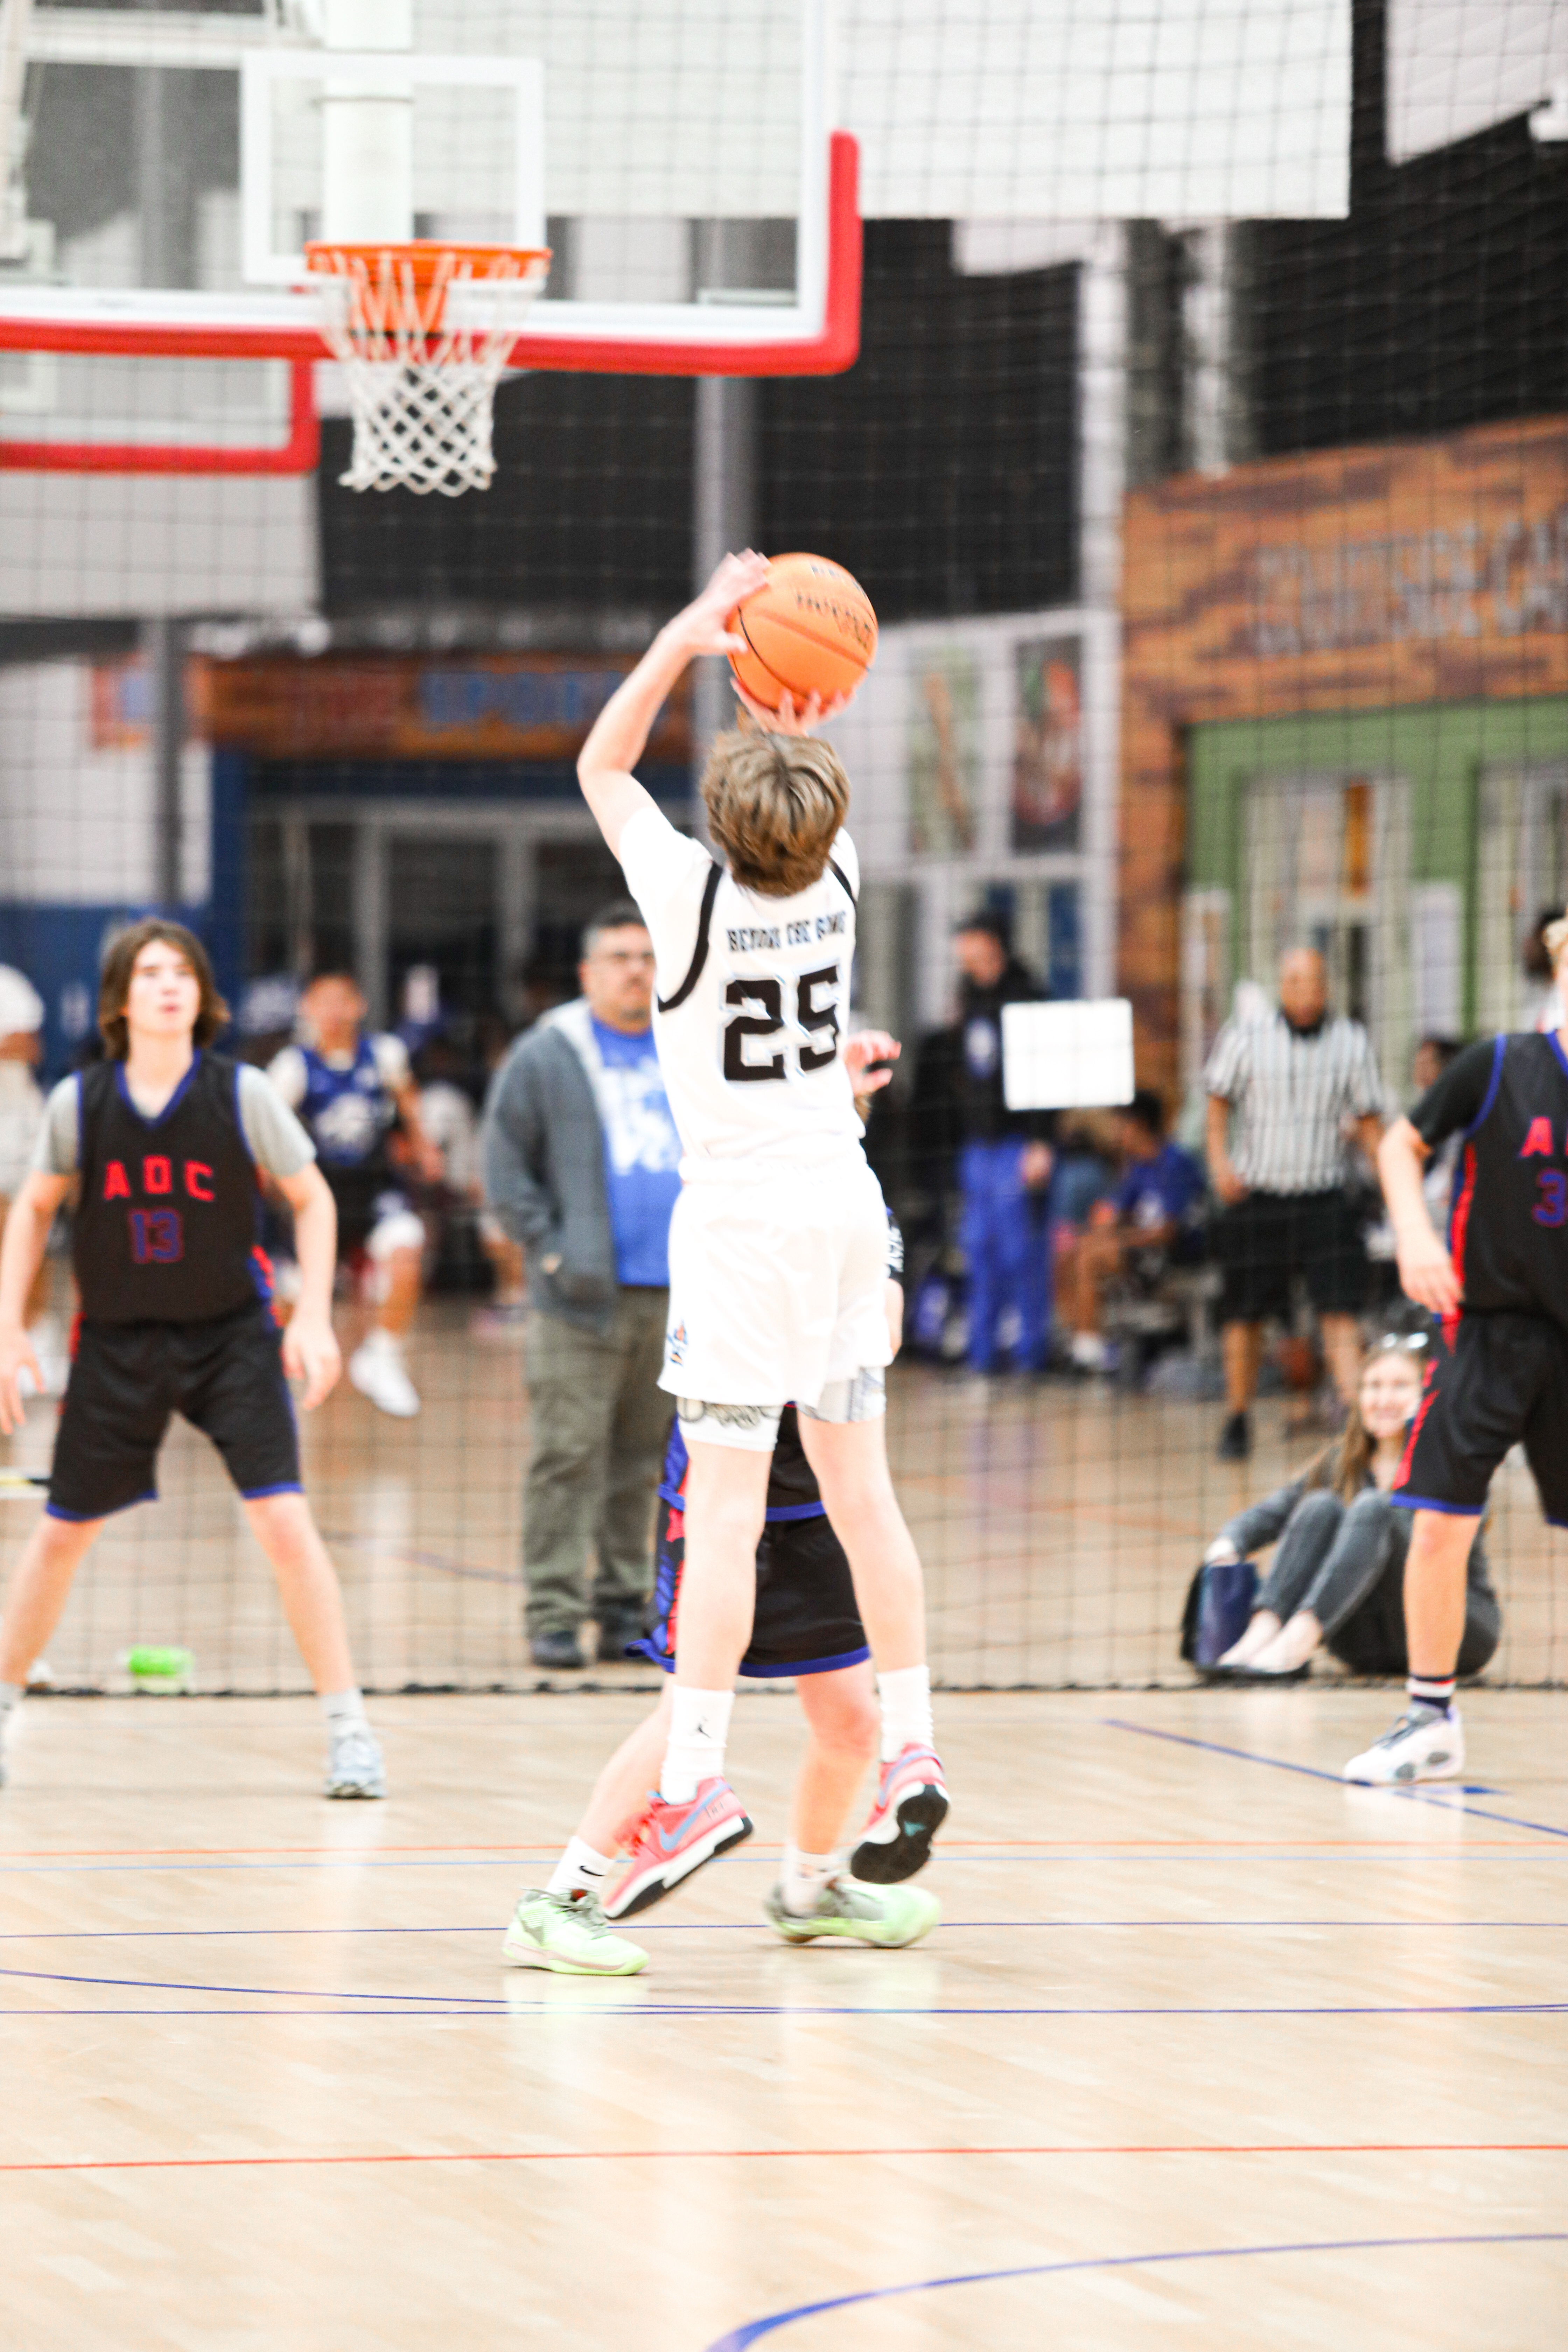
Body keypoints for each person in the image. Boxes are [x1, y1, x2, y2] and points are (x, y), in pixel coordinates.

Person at [520, 550, 945, 1972]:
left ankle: (699, 1775)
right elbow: (800, 757)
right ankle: (914, 1744)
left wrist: (697, 630)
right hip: (837, 1198)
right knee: (864, 1497)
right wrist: (791, 677)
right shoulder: (842, 881)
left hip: (744, 1231)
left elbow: (603, 760)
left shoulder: (682, 903)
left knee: (725, 1509)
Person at [0, 920, 384, 1798]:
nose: (168, 985)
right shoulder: (80, 1102)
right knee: (61, 1535)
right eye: (150, 973)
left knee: (286, 1525)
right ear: (121, 1001)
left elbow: (313, 1200)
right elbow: (30, 1211)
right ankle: (3, 1712)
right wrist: (9, 1326)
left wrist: (314, 1317)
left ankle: (350, 1730)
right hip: (117, 1342)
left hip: (231, 1338)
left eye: (183, 972)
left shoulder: (243, 1093)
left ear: (201, 997)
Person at [503, 1237, 940, 1973]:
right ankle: (559, 1903)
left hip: (820, 1503)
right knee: (686, 1711)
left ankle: (810, 1889)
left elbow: (886, 1329)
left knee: (850, 1717)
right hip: (719, 1497)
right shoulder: (737, 1193)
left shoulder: (858, 1204)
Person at [1345, 913, 1568, 1783]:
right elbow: (1402, 1146)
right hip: (1489, 1327)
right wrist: (1415, 1237)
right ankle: (1430, 1718)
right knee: (1440, 1520)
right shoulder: (1502, 1064)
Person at [483, 903, 685, 1670]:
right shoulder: (547, 1055)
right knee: (568, 1455)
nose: (636, 969)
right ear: (587, 973)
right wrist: (553, 1253)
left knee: (644, 1463)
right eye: (619, 957)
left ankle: (626, 1606)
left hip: (674, 1298)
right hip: (580, 1300)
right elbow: (504, 1168)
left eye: (645, 955)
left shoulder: (687, 1042)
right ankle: (555, 1613)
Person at [1204, 1331, 1500, 1682]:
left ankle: (1295, 1644)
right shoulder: (1341, 1462)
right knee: (1319, 1505)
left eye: (1400, 1386)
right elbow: (1270, 1514)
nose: (1384, 1398)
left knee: (1374, 1509)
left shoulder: (1451, 1463)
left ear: (1427, 1396)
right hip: (1366, 1642)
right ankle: (1262, 1633)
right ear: (1359, 1397)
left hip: (1455, 1632)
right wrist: (1228, 1545)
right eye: (1373, 1387)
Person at [1205, 947, 1385, 1460]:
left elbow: (1370, 1124)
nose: (1303, 991)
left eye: (1312, 982)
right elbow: (1218, 1103)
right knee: (1243, 1313)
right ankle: (1237, 1417)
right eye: (1293, 981)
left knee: (1340, 1311)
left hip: (1324, 1196)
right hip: (1259, 1198)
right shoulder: (1246, 1037)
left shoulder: (1351, 1041)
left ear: (1326, 986)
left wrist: (1394, 1186)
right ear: (1281, 985)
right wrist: (1220, 1164)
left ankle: (1360, 1426)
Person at [268, 974, 443, 1420]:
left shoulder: (384, 1053)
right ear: (306, 1008)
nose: (334, 1011)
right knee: (292, 1295)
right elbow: (264, 1129)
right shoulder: (293, 1066)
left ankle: (382, 1356)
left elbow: (408, 1100)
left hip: (374, 1188)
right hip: (317, 1195)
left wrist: (423, 1148)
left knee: (407, 1244)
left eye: (342, 1000)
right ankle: (285, 1373)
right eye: (323, 1002)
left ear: (360, 1005)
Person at [950, 912, 1054, 1375]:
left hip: (1018, 1143)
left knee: (1022, 1253)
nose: (961, 954)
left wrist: (1041, 1142)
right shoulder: (969, 994)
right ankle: (981, 1358)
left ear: (990, 943)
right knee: (979, 1252)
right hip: (979, 1146)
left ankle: (1032, 1355)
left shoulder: (1028, 994)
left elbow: (1047, 1076)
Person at [1055, 1087, 1205, 1373]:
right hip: (1143, 1252)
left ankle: (1090, 1352)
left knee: (1093, 1254)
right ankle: (1080, 1343)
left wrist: (1118, 1236)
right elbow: (1113, 1214)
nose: (1116, 1131)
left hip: (1175, 1257)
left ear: (1139, 1125)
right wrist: (1102, 1224)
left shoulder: (1174, 1163)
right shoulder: (1138, 1168)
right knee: (1076, 1248)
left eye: (1120, 1123)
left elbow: (1169, 1233)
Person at [0, 965, 66, 1396]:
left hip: (17, 1126)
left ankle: (36, 1336)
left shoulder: (11, 984)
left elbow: (29, 1046)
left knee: (26, 1231)